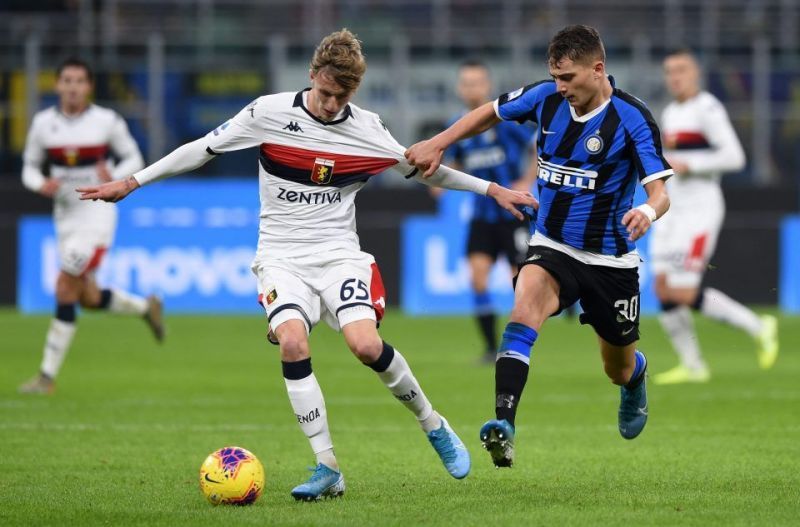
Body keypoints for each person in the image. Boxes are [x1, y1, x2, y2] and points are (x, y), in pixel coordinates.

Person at [77, 30, 536, 499]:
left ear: (353, 91)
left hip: (339, 257)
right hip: (280, 258)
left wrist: (491, 189)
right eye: (325, 92)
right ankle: (327, 467)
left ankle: (433, 424)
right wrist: (133, 181)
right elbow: (201, 149)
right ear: (312, 75)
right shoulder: (267, 113)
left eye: (342, 96)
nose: (331, 103)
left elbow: (423, 168)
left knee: (364, 345)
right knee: (292, 343)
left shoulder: (367, 129)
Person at [406, 25, 672, 468]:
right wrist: (438, 142)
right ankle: (504, 424)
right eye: (555, 77)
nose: (560, 87)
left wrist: (646, 211)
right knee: (525, 307)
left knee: (617, 368)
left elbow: (661, 192)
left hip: (610, 258)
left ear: (598, 69)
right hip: (551, 242)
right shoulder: (545, 98)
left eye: (568, 77)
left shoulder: (632, 118)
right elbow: (490, 112)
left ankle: (635, 375)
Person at [19, 58, 164, 395]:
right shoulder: (43, 124)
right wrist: (40, 183)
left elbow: (134, 159)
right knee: (87, 296)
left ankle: (46, 377)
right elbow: (28, 167)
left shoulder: (106, 121)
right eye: (66, 80)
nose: (72, 87)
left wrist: (113, 176)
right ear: (57, 85)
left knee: (64, 286)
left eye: (79, 81)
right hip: (65, 217)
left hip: (97, 215)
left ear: (89, 87)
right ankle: (146, 308)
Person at [650, 49, 779, 385]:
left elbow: (735, 157)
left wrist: (692, 165)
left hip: (699, 211)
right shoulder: (671, 112)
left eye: (680, 70)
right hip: (671, 210)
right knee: (662, 288)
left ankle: (759, 325)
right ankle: (692, 365)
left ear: (695, 74)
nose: (674, 77)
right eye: (669, 71)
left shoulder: (707, 108)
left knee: (681, 291)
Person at [442, 60, 537, 363]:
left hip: (512, 213)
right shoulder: (459, 125)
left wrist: (526, 180)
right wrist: (439, 178)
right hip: (481, 214)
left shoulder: (504, 121)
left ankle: (516, 347)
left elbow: (537, 145)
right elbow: (453, 161)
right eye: (466, 83)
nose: (471, 88)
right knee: (478, 279)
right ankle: (490, 347)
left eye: (477, 82)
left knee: (519, 282)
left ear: (487, 85)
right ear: (460, 88)